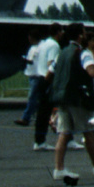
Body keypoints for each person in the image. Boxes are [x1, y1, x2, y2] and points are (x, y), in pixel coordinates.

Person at [48, 23, 94, 184]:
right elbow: (91, 71)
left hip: (62, 98)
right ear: (79, 36)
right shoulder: (82, 53)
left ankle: (59, 168)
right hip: (78, 98)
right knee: (88, 131)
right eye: (83, 33)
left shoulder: (61, 54)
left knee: (64, 133)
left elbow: (48, 75)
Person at [31, 22, 64, 150]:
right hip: (48, 79)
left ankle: (39, 140)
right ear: (58, 32)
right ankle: (40, 141)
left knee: (43, 112)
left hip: (40, 77)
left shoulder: (44, 43)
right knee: (49, 111)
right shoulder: (54, 46)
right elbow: (52, 64)